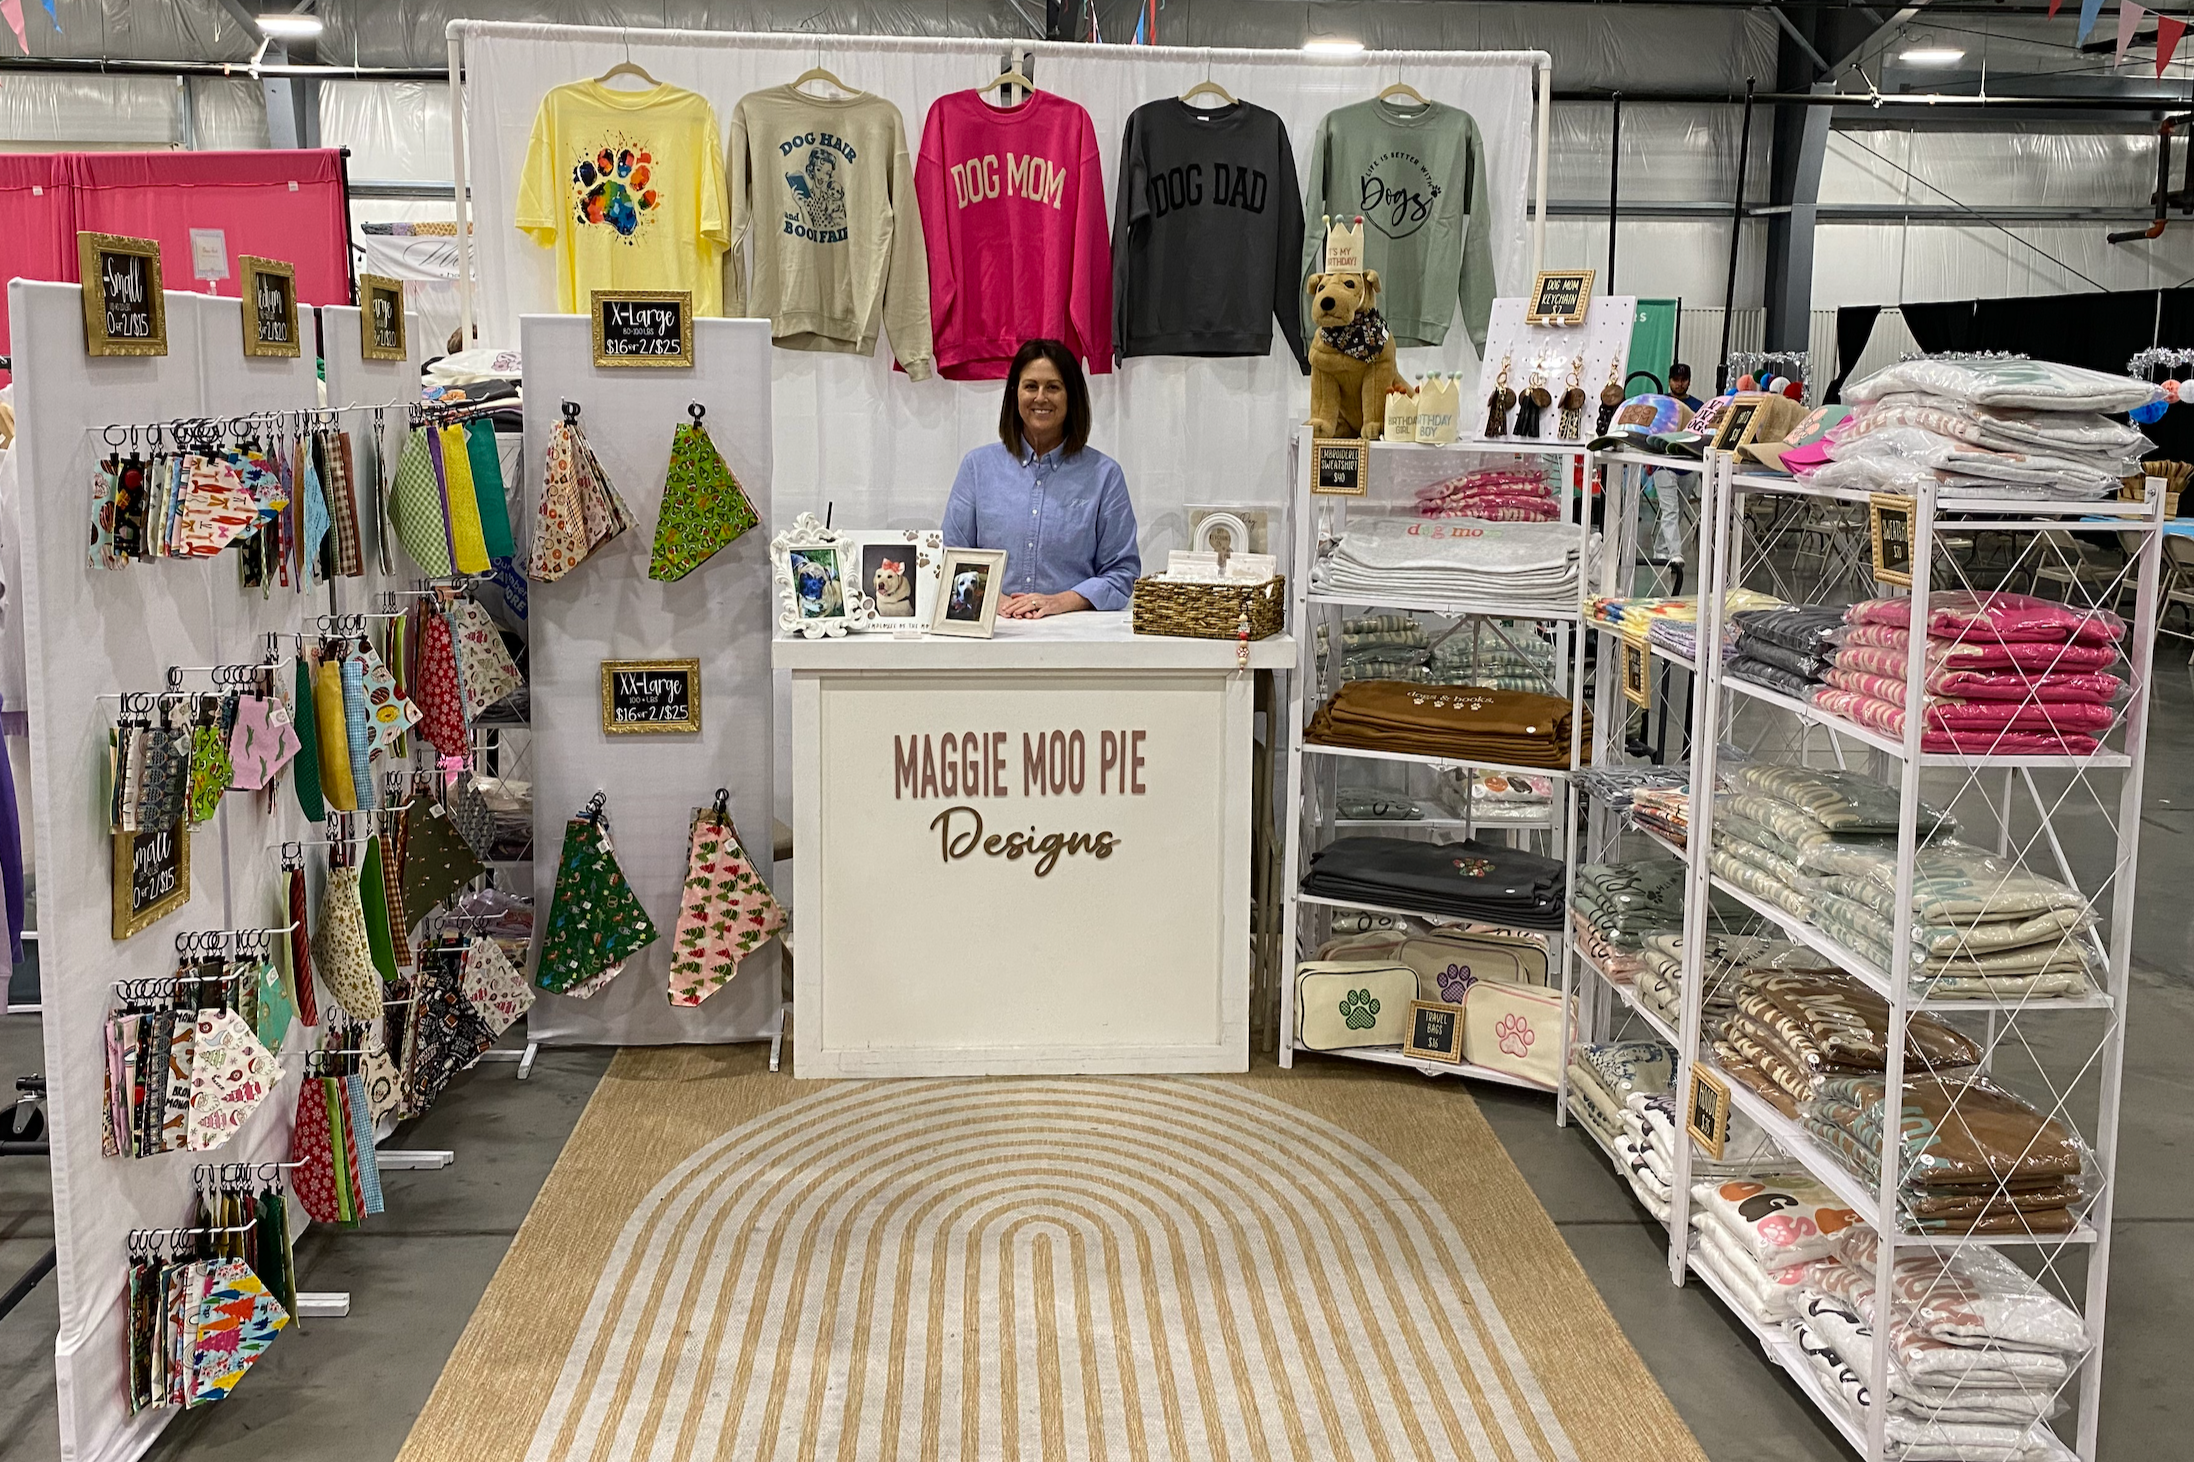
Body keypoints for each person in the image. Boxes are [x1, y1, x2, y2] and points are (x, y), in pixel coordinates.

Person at [942, 339, 1141, 619]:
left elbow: (1122, 573)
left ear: (1071, 396)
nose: (1040, 398)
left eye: (1053, 387)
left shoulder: (1105, 475)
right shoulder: (977, 467)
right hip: (994, 629)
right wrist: (994, 600)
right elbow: (952, 556)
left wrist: (1058, 602)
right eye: (1031, 386)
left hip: (1074, 633)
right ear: (1015, 394)